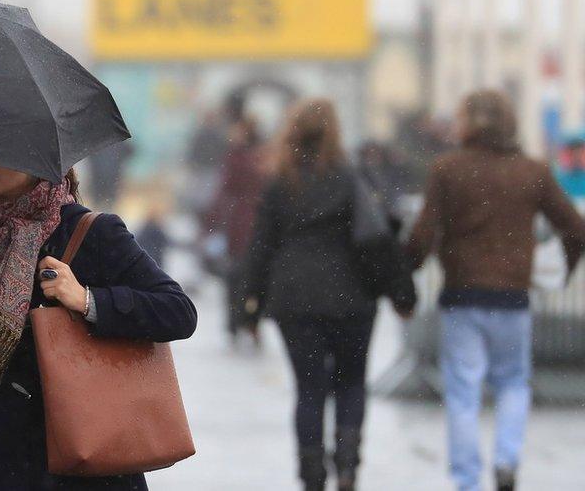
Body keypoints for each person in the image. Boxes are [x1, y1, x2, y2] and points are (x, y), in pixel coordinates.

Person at [0, 160, 197, 490]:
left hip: (80, 462)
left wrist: (87, 300)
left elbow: (178, 312)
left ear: (38, 160)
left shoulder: (91, 232)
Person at [406, 90, 585, 491]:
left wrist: (405, 277)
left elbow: (423, 233)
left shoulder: (447, 169)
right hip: (513, 298)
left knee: (463, 392)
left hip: (462, 297)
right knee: (512, 383)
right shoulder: (532, 171)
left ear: (467, 122)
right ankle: (506, 461)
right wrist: (565, 269)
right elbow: (575, 227)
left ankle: (467, 480)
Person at [245, 99, 415, 491]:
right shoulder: (352, 176)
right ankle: (349, 468)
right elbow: (378, 240)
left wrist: (248, 307)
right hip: (351, 296)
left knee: (309, 388)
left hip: (294, 297)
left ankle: (312, 475)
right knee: (351, 382)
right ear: (334, 131)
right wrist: (400, 292)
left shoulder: (279, 184)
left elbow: (260, 247)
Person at [207, 116, 268, 347]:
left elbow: (225, 188)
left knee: (235, 276)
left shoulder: (236, 157)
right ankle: (250, 321)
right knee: (254, 275)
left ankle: (236, 321)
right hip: (256, 223)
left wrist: (212, 219)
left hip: (240, 222)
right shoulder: (264, 157)